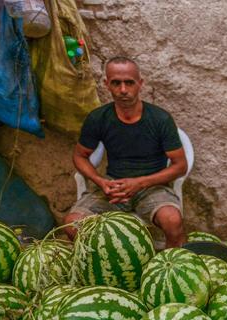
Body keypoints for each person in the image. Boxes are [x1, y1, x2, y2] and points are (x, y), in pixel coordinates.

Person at [64, 56, 187, 248]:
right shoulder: (98, 118)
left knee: (173, 221)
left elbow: (180, 166)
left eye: (129, 83)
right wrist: (101, 181)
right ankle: (109, 265)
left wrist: (139, 183)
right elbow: (80, 156)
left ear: (140, 84)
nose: (123, 90)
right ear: (107, 84)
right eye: (116, 83)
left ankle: (169, 269)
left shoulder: (160, 119)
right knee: (73, 225)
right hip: (114, 188)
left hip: (152, 187)